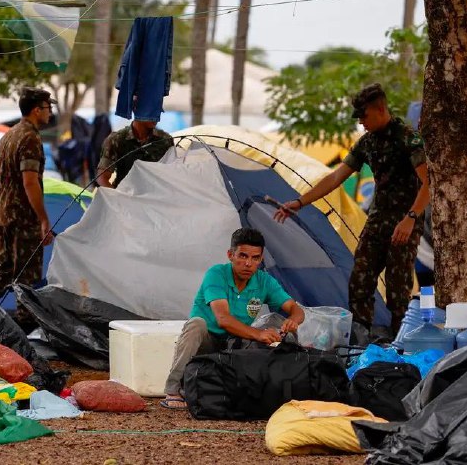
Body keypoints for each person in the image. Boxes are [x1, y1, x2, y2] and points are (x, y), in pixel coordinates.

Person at [274, 83, 430, 338]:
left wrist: (411, 218)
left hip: (405, 222)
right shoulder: (367, 143)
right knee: (360, 279)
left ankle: (401, 342)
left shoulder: (407, 138)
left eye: (364, 116)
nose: (361, 123)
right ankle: (361, 336)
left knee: (397, 288)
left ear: (381, 109)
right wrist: (300, 202)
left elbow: (428, 183)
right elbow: (335, 177)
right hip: (378, 220)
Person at [160, 228, 305, 410]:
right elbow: (223, 320)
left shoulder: (264, 280)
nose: (248, 264)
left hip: (236, 343)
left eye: (255, 258)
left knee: (277, 323)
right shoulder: (216, 274)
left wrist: (292, 320)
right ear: (230, 255)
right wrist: (259, 334)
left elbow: (295, 308)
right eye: (242, 256)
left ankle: (280, 388)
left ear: (261, 260)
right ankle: (173, 389)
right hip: (207, 343)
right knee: (196, 324)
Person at [0, 87, 55, 331]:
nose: (50, 112)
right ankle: (24, 331)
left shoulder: (8, 135)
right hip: (22, 218)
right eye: (48, 107)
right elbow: (30, 181)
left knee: (3, 271)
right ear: (36, 110)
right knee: (26, 277)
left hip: (3, 212)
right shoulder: (30, 138)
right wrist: (43, 219)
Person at [95, 118, 173, 188]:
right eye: (151, 110)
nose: (157, 116)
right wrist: (117, 198)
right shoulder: (117, 139)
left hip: (156, 198)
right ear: (137, 109)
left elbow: (172, 176)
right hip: (125, 197)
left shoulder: (165, 141)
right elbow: (102, 178)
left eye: (158, 111)